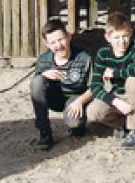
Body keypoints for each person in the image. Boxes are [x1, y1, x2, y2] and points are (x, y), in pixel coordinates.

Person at [87, 13, 135, 149]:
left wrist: (115, 73)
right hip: (117, 96)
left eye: (125, 36)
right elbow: (95, 86)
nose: (122, 41)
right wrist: (115, 101)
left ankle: (134, 129)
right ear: (107, 38)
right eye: (116, 37)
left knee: (133, 80)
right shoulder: (103, 54)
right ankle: (123, 125)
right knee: (93, 112)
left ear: (131, 33)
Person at [30, 19, 92, 150]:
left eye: (61, 39)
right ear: (46, 44)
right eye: (53, 42)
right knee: (37, 82)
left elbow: (95, 86)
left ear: (69, 37)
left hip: (76, 99)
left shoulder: (84, 58)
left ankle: (78, 126)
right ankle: (44, 131)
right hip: (55, 98)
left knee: (74, 123)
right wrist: (43, 76)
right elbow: (37, 90)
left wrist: (81, 101)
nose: (58, 45)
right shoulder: (43, 60)